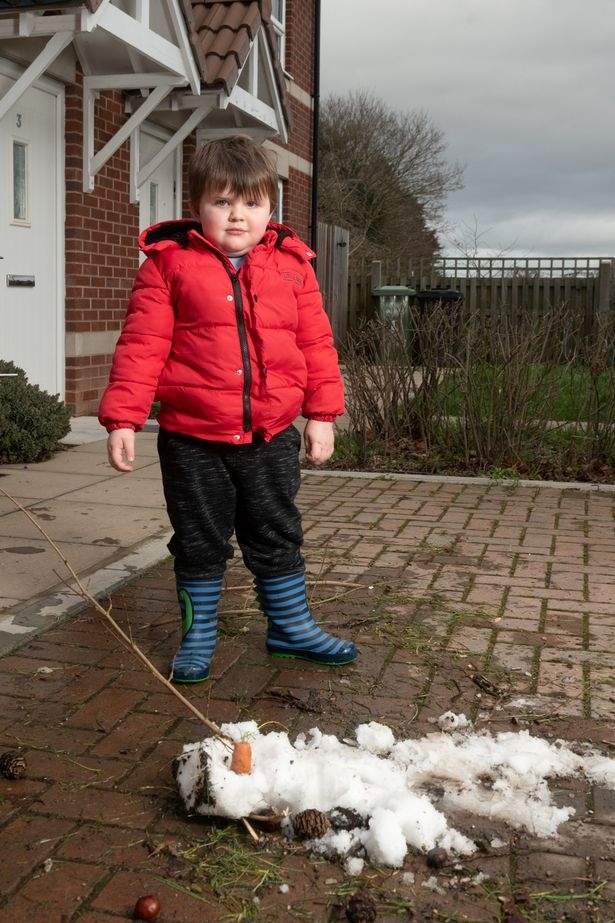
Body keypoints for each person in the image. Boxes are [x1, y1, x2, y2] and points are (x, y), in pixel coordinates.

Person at [98, 134, 357, 684]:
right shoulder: (168, 266)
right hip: (193, 440)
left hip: (272, 435)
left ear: (270, 208)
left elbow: (316, 344)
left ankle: (290, 627)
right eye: (222, 202)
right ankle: (198, 636)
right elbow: (141, 345)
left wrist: (323, 414)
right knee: (198, 538)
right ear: (198, 206)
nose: (238, 215)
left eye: (252, 203)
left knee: (275, 530)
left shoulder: (293, 266)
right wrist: (123, 418)